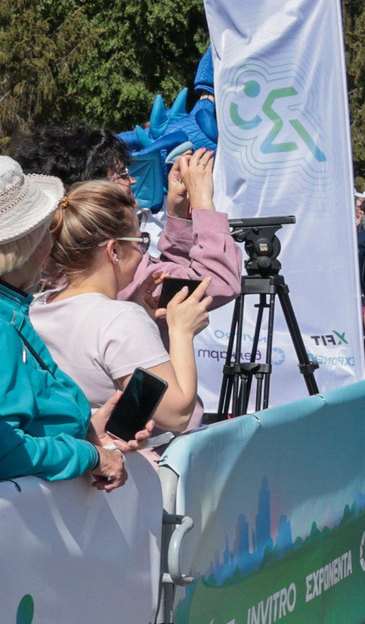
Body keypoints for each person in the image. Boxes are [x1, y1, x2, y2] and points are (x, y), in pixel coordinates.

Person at [30, 181, 210, 439]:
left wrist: (138, 315)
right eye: (140, 241)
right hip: (115, 469)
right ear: (113, 250)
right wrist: (182, 331)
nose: (141, 254)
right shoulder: (121, 319)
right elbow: (176, 415)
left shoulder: (35, 307)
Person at [0, 156, 126, 492]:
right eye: (46, 231)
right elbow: (7, 451)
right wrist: (90, 456)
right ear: (23, 247)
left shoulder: (11, 310)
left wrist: (83, 427)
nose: (52, 244)